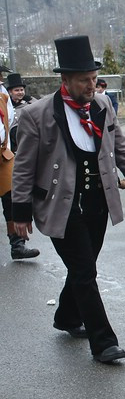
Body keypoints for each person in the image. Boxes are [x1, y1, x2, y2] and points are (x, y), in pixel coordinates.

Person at [11, 36, 125, 363]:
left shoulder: (103, 106)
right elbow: (22, 169)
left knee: (83, 268)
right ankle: (103, 342)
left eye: (93, 79)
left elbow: (121, 148)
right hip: (61, 207)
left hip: (97, 204)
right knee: (85, 272)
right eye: (84, 81)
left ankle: (66, 317)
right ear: (65, 80)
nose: (91, 86)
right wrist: (19, 214)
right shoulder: (37, 114)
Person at [2, 73, 39, 260]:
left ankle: (17, 245)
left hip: (4, 153)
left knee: (11, 196)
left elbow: (8, 124)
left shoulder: (3, 95)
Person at [6, 72, 34, 151]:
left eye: (22, 90)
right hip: (13, 141)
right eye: (17, 90)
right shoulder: (7, 105)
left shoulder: (31, 102)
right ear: (10, 92)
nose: (20, 92)